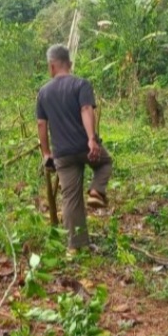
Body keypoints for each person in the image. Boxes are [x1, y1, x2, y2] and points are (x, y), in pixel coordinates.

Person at [36, 44, 113, 252]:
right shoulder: (81, 84)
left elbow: (41, 124)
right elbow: (86, 109)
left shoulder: (43, 92)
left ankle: (75, 247)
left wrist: (46, 154)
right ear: (69, 64)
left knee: (71, 199)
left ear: (52, 66)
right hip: (84, 148)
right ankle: (96, 191)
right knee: (105, 162)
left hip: (62, 154)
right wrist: (91, 139)